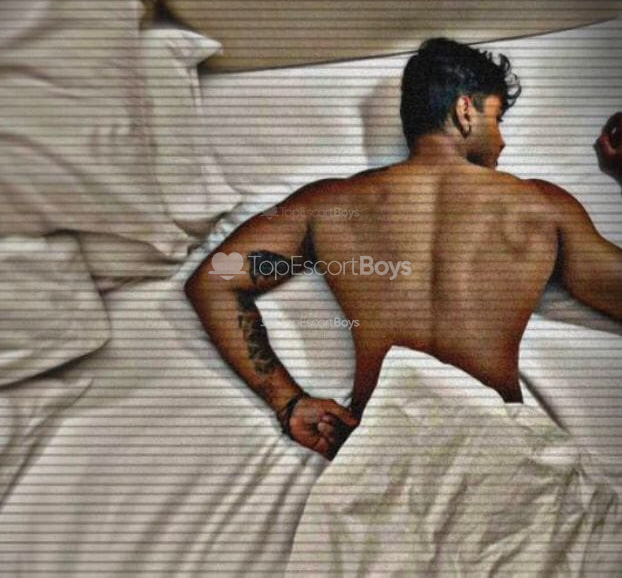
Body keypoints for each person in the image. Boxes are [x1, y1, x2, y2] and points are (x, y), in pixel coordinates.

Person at [185, 38, 622, 461]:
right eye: (497, 118)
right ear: (465, 110)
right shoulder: (542, 206)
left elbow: (212, 281)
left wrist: (289, 402)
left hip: (380, 450)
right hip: (496, 449)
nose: (502, 142)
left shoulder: (328, 203)